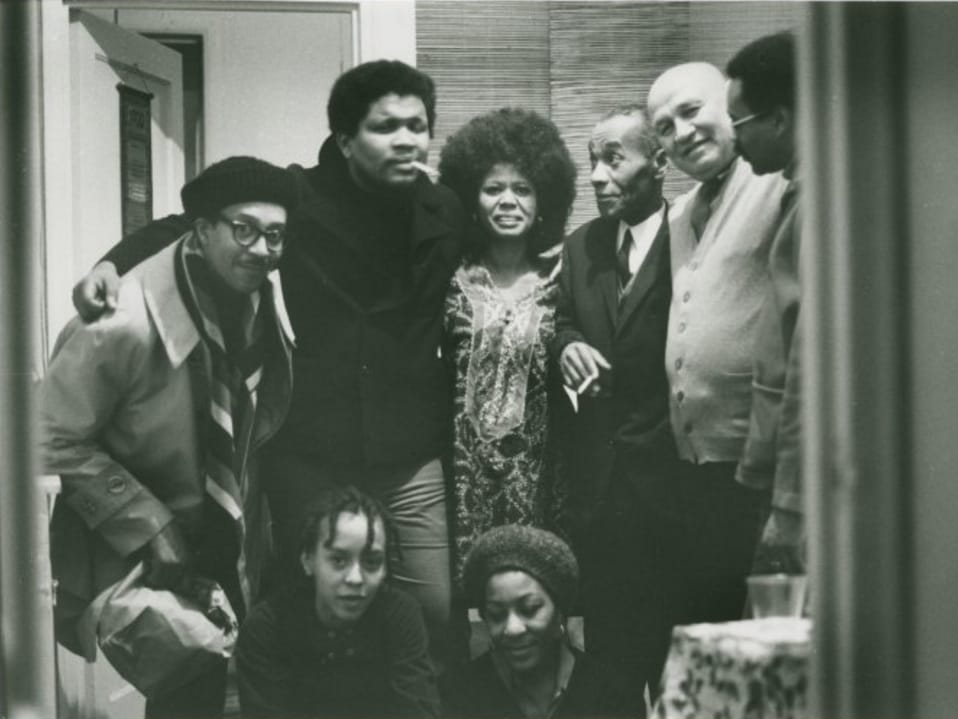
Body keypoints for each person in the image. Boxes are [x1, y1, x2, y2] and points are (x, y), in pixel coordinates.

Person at [70, 59, 466, 667]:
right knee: (308, 610)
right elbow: (186, 227)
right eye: (387, 127)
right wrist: (110, 265)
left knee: (433, 611)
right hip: (310, 445)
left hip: (409, 448)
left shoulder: (445, 210)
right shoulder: (296, 197)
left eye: (418, 125)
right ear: (344, 139)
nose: (409, 140)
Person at [40, 156, 299, 719]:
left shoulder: (259, 297)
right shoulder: (119, 318)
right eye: (244, 229)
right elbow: (47, 435)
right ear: (201, 231)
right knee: (183, 689)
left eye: (274, 235)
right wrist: (147, 523)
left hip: (233, 539)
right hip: (154, 548)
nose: (260, 249)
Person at [646, 62, 788, 624]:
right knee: (712, 620)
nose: (681, 134)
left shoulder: (777, 182)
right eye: (663, 127)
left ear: (731, 107)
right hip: (695, 470)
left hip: (763, 462)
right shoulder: (679, 214)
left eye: (691, 111)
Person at [551, 104, 675, 697]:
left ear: (660, 164)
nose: (597, 176)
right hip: (599, 498)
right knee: (611, 670)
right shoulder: (581, 247)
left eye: (613, 159)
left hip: (677, 493)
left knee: (680, 668)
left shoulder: (694, 239)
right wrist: (568, 346)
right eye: (592, 161)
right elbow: (562, 320)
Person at [436, 107, 577, 581]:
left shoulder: (563, 281)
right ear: (472, 200)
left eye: (523, 189)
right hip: (459, 476)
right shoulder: (448, 281)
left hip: (544, 476)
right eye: (493, 189)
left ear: (544, 201)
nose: (508, 201)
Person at [236, 485, 440, 718]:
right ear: (308, 560)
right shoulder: (266, 628)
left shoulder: (401, 616)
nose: (355, 578)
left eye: (372, 562)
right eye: (338, 560)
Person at [726, 32, 805, 574]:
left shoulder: (820, 206)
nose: (735, 143)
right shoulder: (796, 194)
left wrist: (790, 501)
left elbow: (808, 365)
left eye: (739, 125)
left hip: (800, 484)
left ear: (778, 119)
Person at [441, 525, 643, 719]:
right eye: (497, 615)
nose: (512, 629)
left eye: (529, 609)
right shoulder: (459, 694)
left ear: (560, 613)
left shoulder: (612, 695)